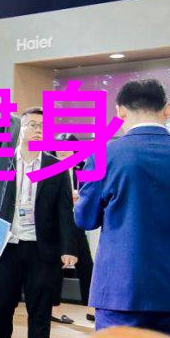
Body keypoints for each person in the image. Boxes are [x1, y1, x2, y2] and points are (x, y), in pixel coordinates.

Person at [75, 79, 170, 338]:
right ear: (168, 109)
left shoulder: (103, 155)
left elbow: (85, 219)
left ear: (120, 111)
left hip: (119, 292)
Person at [0, 108, 77, 338]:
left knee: (40, 312)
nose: (38, 130)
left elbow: (64, 211)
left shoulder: (56, 166)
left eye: (43, 126)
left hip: (42, 249)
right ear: (20, 129)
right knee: (1, 308)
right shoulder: (1, 162)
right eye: (32, 125)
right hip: (5, 247)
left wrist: (68, 248)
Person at [54, 133, 95, 321]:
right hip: (55, 224)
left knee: (86, 265)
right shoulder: (49, 168)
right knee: (55, 268)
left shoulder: (83, 168)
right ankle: (54, 309)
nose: (62, 150)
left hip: (76, 222)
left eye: (66, 147)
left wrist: (81, 198)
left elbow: (92, 193)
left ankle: (91, 307)